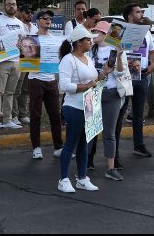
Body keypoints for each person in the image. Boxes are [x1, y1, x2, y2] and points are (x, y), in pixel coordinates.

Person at [57, 25, 104, 193]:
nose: (91, 42)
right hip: (74, 107)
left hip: (89, 107)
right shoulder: (68, 60)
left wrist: (104, 74)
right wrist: (86, 86)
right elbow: (63, 86)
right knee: (70, 143)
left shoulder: (88, 58)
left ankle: (82, 178)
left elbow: (94, 80)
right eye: (88, 39)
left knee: (84, 143)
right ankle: (63, 179)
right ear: (78, 42)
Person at [85, 21, 129, 181]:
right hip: (93, 94)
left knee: (109, 133)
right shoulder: (89, 50)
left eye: (97, 31)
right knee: (90, 131)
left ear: (105, 34)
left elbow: (120, 73)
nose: (94, 33)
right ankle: (86, 162)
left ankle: (110, 168)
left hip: (111, 94)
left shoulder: (115, 49)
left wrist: (118, 56)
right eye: (94, 30)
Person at [119, 4, 154, 158]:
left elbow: (152, 51)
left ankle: (139, 145)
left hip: (143, 76)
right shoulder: (120, 30)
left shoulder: (146, 32)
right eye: (138, 12)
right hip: (125, 77)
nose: (141, 14)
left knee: (138, 114)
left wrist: (153, 64)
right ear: (130, 16)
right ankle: (114, 151)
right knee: (120, 113)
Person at [28, 10, 64, 160]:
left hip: (51, 80)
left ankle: (58, 147)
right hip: (36, 79)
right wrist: (21, 48)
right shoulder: (31, 38)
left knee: (55, 115)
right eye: (45, 18)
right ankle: (36, 147)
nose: (48, 20)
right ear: (38, 21)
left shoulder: (56, 39)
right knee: (35, 115)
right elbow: (26, 60)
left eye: (50, 18)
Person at [0, 0, 25, 130]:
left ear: (16, 6)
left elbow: (22, 42)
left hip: (16, 62)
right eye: (8, 4)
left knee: (10, 92)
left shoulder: (20, 23)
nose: (11, 6)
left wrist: (21, 46)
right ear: (4, 6)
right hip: (2, 62)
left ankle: (8, 119)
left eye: (13, 4)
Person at [12, 5, 38, 125]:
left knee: (26, 89)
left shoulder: (34, 27)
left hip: (31, 60)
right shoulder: (17, 25)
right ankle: (14, 114)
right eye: (27, 12)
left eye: (32, 12)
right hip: (19, 60)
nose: (30, 14)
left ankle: (23, 114)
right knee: (16, 88)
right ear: (21, 13)